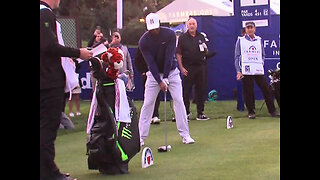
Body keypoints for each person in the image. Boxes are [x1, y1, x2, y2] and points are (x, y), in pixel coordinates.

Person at [40, 1, 92, 180]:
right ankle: (49, 174)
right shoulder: (45, 14)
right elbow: (49, 46)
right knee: (47, 129)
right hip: (48, 81)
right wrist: (78, 52)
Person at [138, 13, 195, 146]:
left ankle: (185, 135)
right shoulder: (143, 41)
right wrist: (160, 81)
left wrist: (166, 78)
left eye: (156, 27)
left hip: (172, 72)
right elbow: (150, 63)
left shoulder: (169, 34)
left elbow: (169, 56)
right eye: (152, 28)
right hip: (153, 75)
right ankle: (140, 138)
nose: (155, 31)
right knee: (148, 104)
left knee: (179, 101)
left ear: (159, 24)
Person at [234, 21, 280, 119]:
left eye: (251, 27)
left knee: (266, 90)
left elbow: (262, 54)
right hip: (246, 70)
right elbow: (237, 56)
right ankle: (251, 111)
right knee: (249, 91)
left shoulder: (258, 40)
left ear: (254, 29)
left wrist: (260, 64)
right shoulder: (241, 40)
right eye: (248, 28)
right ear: (245, 29)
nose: (250, 29)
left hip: (258, 69)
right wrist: (239, 70)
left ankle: (272, 110)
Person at [176, 17, 210, 121]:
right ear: (187, 25)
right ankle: (186, 113)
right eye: (190, 24)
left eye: (193, 24)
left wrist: (205, 50)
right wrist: (181, 68)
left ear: (196, 25)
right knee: (186, 91)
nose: (192, 26)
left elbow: (206, 51)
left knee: (201, 90)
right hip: (188, 67)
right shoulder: (182, 38)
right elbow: (178, 54)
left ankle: (200, 113)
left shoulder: (201, 36)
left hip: (200, 67)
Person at [134, 47, 161, 124]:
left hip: (157, 73)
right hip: (146, 73)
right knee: (148, 97)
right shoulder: (143, 44)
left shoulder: (159, 44)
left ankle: (155, 115)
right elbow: (137, 60)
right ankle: (148, 117)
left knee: (157, 96)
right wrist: (142, 71)